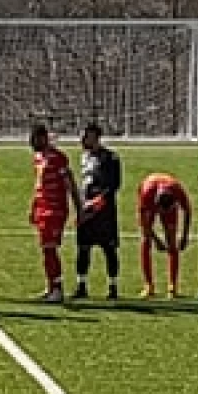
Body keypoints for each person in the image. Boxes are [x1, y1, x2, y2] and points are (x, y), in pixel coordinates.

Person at [28, 124, 82, 304]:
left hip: (55, 209)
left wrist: (78, 207)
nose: (32, 142)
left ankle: (57, 289)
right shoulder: (37, 158)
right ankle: (51, 286)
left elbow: (70, 182)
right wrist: (33, 207)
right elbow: (38, 186)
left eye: (35, 138)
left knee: (50, 248)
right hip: (42, 208)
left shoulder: (58, 158)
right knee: (46, 249)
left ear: (43, 138)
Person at [73, 124, 122, 301]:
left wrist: (97, 202)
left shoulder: (111, 158)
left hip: (104, 213)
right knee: (83, 248)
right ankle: (81, 285)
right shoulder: (84, 157)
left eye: (86, 136)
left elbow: (114, 185)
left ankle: (113, 286)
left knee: (109, 249)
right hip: (86, 210)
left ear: (96, 137)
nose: (82, 140)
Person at [136, 171, 192, 299]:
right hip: (149, 191)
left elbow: (188, 210)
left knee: (172, 243)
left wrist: (184, 235)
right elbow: (143, 223)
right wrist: (156, 239)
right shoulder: (147, 195)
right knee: (146, 241)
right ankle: (148, 285)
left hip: (165, 194)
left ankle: (172, 286)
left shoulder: (177, 190)